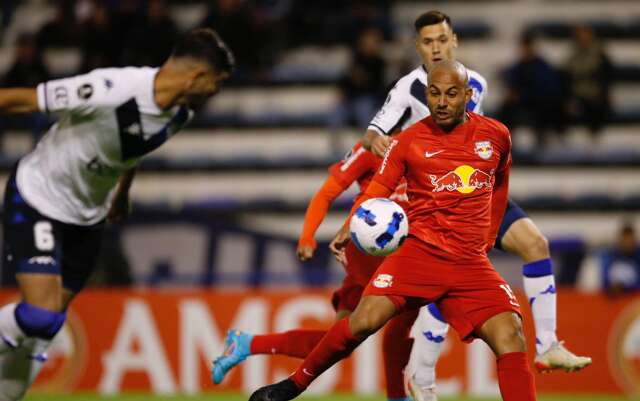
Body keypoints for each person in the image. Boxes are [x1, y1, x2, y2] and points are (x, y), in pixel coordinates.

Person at [249, 60, 537, 401]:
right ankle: (292, 385)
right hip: (420, 254)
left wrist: (489, 235)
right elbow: (377, 190)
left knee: (511, 335)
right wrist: (349, 224)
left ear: (468, 95)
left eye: (451, 94)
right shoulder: (407, 142)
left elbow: (501, 183)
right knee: (363, 322)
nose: (442, 102)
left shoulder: (496, 135)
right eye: (434, 93)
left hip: (470, 264)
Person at [360, 11, 590, 401]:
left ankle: (547, 344)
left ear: (454, 42)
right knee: (450, 278)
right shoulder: (406, 89)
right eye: (428, 42)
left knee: (536, 244)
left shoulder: (475, 82)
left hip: (475, 190)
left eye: (442, 39)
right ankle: (422, 371)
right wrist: (380, 142)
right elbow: (373, 132)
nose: (436, 47)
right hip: (435, 201)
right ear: (418, 47)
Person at [0, 28, 234, 401]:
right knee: (40, 316)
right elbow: (24, 99)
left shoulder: (179, 114)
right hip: (38, 198)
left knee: (46, 327)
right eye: (217, 83)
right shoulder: (111, 88)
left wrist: (122, 193)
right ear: (196, 77)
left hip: (88, 217)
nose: (216, 92)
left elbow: (131, 148)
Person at [212, 141, 417, 401]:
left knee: (339, 339)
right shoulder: (372, 147)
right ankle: (397, 396)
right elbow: (327, 192)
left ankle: (246, 344)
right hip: (369, 251)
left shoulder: (424, 145)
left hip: (401, 248)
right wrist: (307, 236)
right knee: (401, 314)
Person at [497, 32, 566, 147]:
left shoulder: (543, 67)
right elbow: (510, 79)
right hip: (523, 102)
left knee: (543, 109)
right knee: (505, 109)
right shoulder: (518, 67)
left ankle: (541, 142)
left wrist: (521, 95)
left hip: (539, 102)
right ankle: (505, 143)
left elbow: (547, 89)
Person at [564, 25, 613, 141]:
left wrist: (602, 93)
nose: (583, 37)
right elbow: (567, 77)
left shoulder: (600, 53)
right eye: (580, 35)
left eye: (585, 34)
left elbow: (607, 76)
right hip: (578, 95)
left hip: (595, 94)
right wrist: (568, 98)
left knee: (596, 107)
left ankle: (595, 137)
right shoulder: (573, 54)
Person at [601, 223, 640, 295]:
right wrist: (611, 287)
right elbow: (604, 282)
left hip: (633, 299)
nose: (628, 244)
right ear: (620, 240)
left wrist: (625, 287)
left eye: (630, 241)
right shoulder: (610, 255)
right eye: (625, 241)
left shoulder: (638, 256)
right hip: (613, 298)